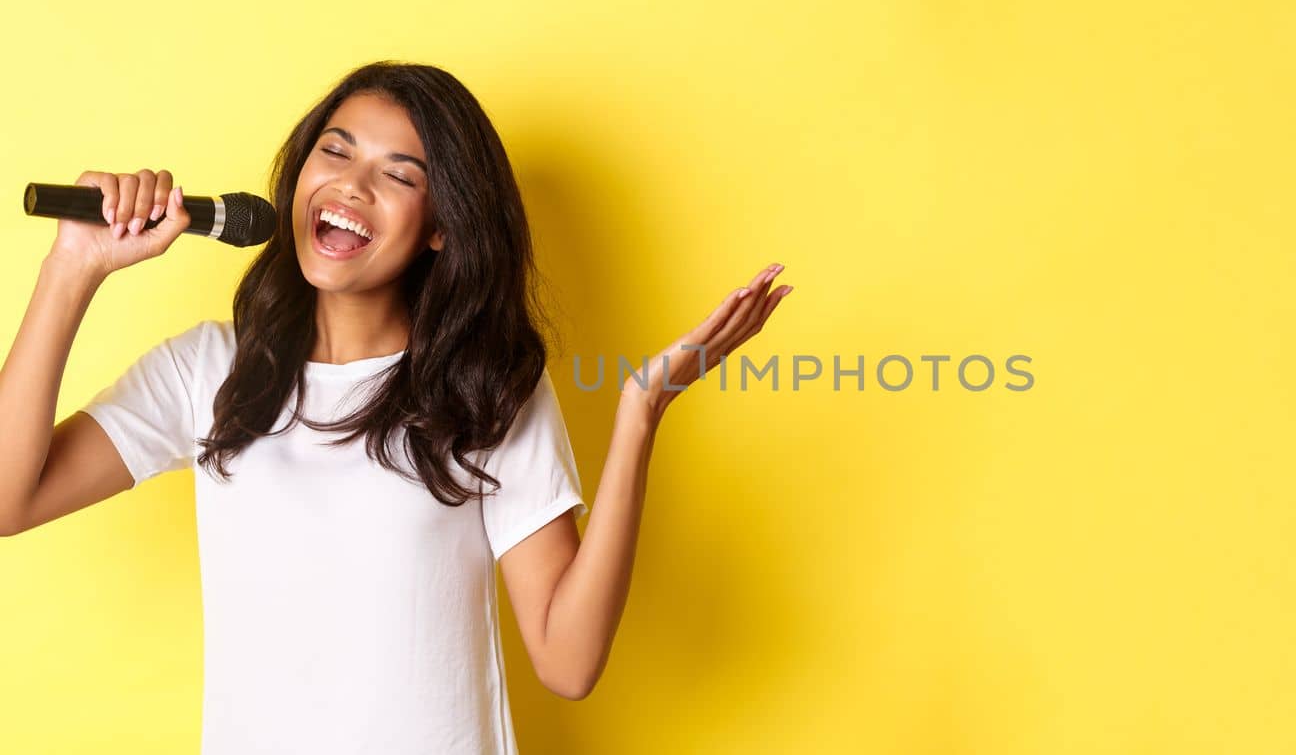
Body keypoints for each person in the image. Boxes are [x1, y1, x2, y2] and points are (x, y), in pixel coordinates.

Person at [0, 61, 792, 754]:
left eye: (399, 174)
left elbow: (568, 660)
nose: (351, 183)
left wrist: (640, 413)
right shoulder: (209, 371)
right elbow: (10, 498)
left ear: (443, 228)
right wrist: (75, 267)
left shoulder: (484, 388)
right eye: (336, 150)